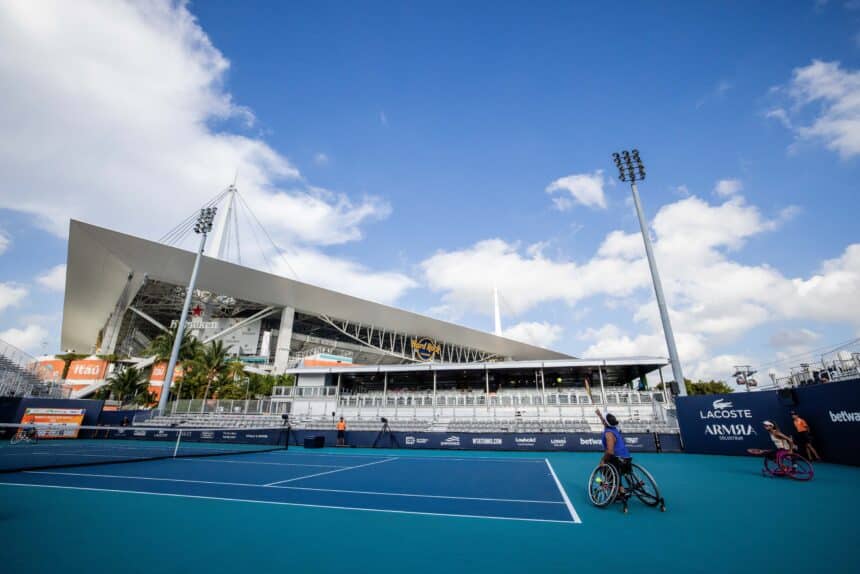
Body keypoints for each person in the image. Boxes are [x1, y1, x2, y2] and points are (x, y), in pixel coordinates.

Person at [596, 408, 632, 496]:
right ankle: (619, 487)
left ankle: (619, 489)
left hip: (618, 461)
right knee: (615, 470)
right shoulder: (615, 428)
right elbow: (606, 422)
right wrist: (600, 415)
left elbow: (610, 451)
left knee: (603, 468)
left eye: (604, 420)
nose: (603, 422)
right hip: (627, 459)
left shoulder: (609, 434)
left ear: (605, 423)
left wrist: (602, 460)